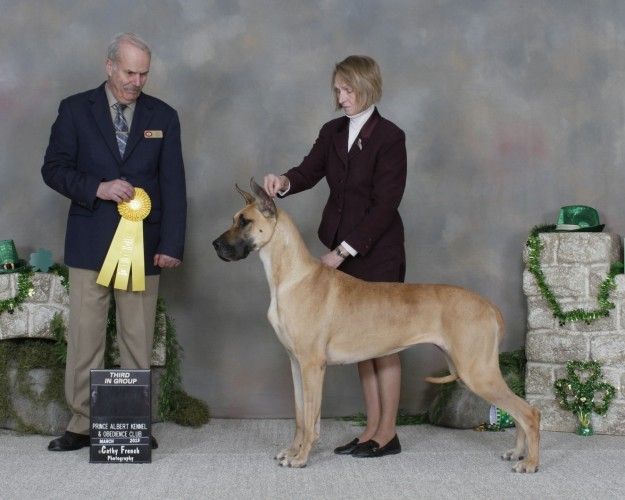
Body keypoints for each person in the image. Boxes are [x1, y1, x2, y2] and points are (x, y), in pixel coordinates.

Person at [42, 33, 186, 451]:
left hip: (145, 245)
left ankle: (132, 421)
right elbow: (53, 169)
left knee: (137, 338)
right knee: (85, 337)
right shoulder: (74, 109)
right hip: (89, 243)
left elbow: (174, 185)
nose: (136, 82)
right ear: (109, 67)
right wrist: (98, 187)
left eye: (144, 74)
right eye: (129, 72)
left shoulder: (164, 116)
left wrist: (172, 244)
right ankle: (81, 423)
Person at [263, 55, 407, 458]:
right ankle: (370, 429)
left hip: (376, 252)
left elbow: (385, 205)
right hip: (344, 251)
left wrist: (342, 251)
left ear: (367, 87)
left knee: (385, 345)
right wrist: (284, 181)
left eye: (348, 90)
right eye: (338, 90)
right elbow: (309, 171)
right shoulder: (332, 131)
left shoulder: (390, 137)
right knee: (362, 345)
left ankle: (388, 434)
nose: (341, 98)